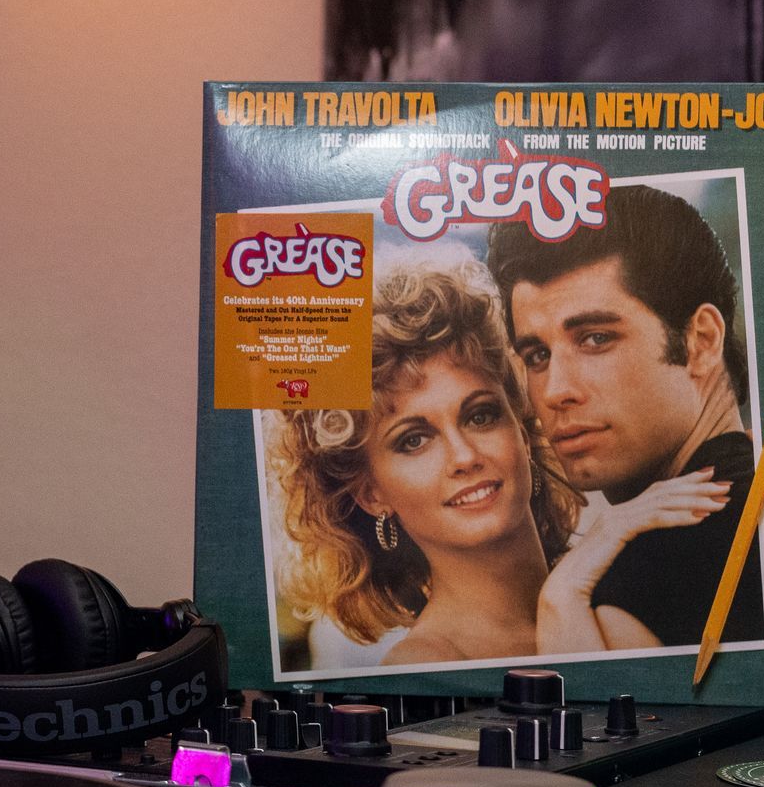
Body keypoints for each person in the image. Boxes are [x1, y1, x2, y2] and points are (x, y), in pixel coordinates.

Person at [268, 260, 731, 667]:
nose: (465, 456)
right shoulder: (426, 663)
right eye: (413, 441)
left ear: (522, 427)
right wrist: (562, 595)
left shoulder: (628, 587)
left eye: (480, 415)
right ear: (371, 494)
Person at [486, 184, 764, 650]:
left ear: (701, 342)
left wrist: (561, 599)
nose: (554, 392)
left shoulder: (638, 585)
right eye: (537, 355)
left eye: (595, 339)